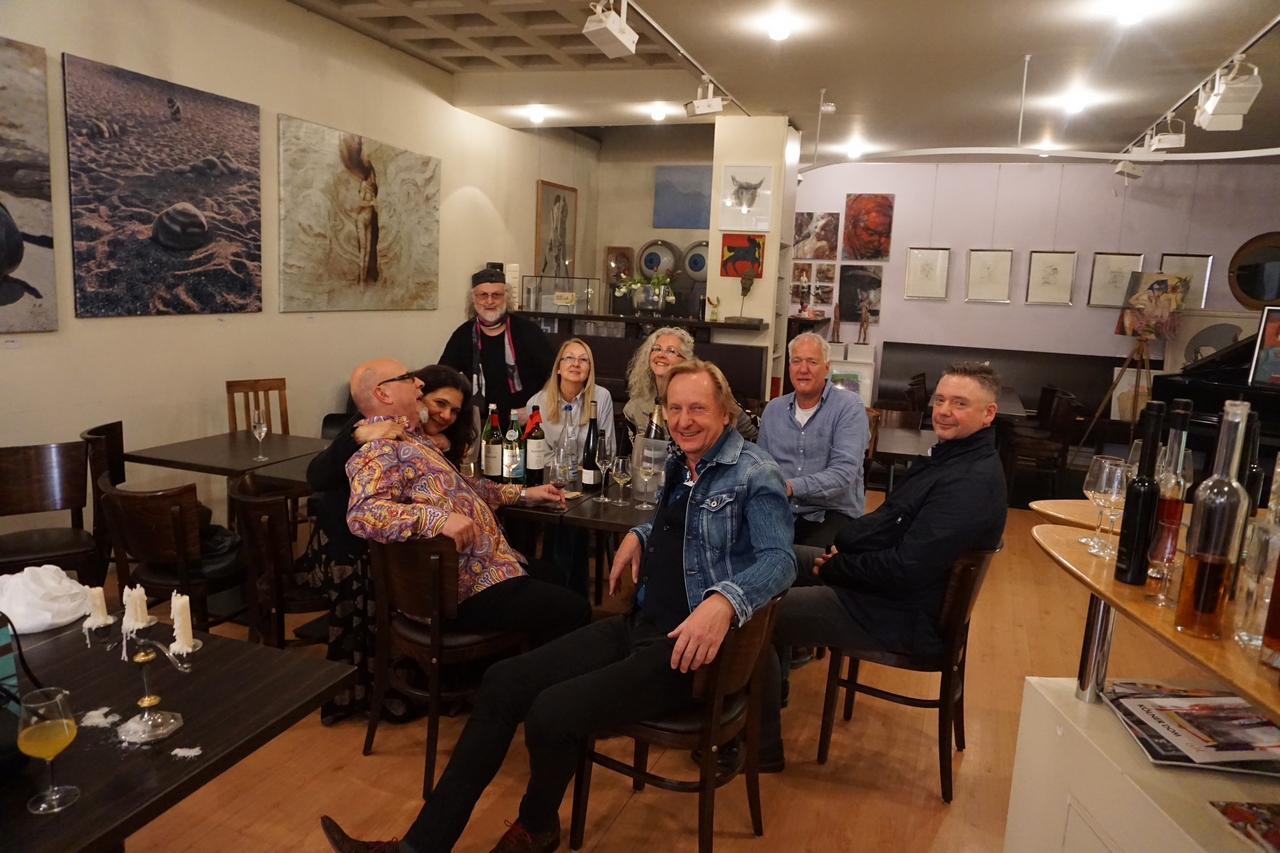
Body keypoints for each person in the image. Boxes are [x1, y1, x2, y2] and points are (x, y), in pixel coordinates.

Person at [320, 358, 796, 853]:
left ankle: (536, 828)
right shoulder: (685, 461)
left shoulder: (754, 473)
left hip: (691, 651)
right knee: (502, 682)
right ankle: (417, 848)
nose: (683, 420)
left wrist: (724, 602)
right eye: (674, 409)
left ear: (725, 413)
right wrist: (643, 533)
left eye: (697, 408)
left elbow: (780, 561)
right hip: (641, 624)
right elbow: (691, 523)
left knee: (551, 712)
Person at [757, 361, 1008, 767]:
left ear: (988, 413)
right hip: (889, 592)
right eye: (940, 400)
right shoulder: (952, 458)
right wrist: (846, 552)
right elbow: (891, 525)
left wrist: (839, 567)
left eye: (960, 403)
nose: (944, 411)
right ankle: (772, 689)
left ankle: (759, 747)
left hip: (899, 615)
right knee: (776, 559)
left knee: (754, 616)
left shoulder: (969, 482)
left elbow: (906, 568)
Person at [303, 364, 481, 724]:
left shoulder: (431, 435)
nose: (445, 415)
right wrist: (359, 434)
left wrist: (445, 448)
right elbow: (318, 476)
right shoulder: (374, 423)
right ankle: (372, 692)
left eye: (454, 410)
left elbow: (442, 489)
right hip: (353, 542)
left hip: (403, 540)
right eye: (436, 402)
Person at [758, 332, 870, 549]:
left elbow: (843, 474)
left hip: (831, 513)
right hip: (782, 511)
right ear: (789, 367)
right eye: (796, 361)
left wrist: (790, 487)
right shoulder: (773, 410)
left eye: (812, 362)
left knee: (804, 559)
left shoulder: (848, 407)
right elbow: (761, 467)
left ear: (827, 367)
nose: (803, 369)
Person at [525, 338, 615, 597]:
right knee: (558, 513)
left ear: (589, 369)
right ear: (558, 367)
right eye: (569, 358)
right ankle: (565, 593)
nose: (576, 363)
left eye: (583, 359)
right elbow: (536, 451)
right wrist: (563, 469)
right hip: (550, 481)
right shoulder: (537, 402)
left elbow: (605, 448)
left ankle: (561, 593)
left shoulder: (600, 398)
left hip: (590, 483)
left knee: (570, 517)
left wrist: (573, 468)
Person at [438, 267, 555, 425]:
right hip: (481, 422)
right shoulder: (463, 335)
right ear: (473, 298)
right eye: (483, 295)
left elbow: (555, 376)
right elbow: (443, 377)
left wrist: (534, 408)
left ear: (506, 297)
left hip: (526, 421)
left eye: (496, 295)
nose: (489, 301)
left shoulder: (529, 331)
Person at [621, 326, 758, 442]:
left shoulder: (706, 394)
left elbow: (752, 432)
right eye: (657, 349)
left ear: (686, 361)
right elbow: (627, 457)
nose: (661, 355)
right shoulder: (635, 407)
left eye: (671, 351)